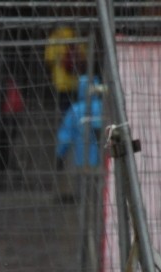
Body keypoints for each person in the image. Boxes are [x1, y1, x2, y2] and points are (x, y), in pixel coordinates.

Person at [55, 74, 103, 202]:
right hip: (103, 158)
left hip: (81, 158)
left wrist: (60, 154)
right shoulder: (104, 107)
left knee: (83, 190)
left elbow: (65, 136)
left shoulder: (75, 110)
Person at [44, 26, 86, 111]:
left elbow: (49, 59)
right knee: (76, 106)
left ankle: (66, 122)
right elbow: (84, 57)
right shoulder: (76, 36)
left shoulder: (55, 38)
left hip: (61, 81)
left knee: (64, 107)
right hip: (76, 81)